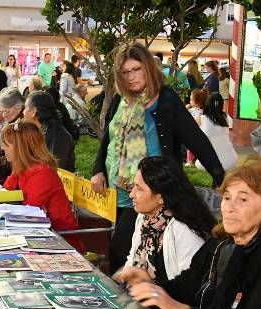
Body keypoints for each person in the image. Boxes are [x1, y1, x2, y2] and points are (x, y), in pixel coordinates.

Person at [121, 163, 261, 309]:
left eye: (242, 199)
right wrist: (151, 286)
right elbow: (187, 285)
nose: (229, 207)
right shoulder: (223, 242)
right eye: (227, 198)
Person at [91, 43, 225, 274]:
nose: (132, 77)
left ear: (148, 69)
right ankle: (131, 297)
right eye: (126, 72)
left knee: (121, 249)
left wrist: (219, 175)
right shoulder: (120, 100)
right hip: (121, 192)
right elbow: (108, 141)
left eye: (137, 69)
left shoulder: (165, 99)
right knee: (130, 251)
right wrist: (98, 169)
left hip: (153, 191)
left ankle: (128, 299)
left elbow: (195, 138)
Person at [113, 156, 215, 284]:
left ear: (161, 197)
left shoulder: (184, 232)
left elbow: (190, 288)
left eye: (139, 189)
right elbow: (133, 257)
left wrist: (149, 285)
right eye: (134, 186)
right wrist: (124, 275)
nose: (131, 194)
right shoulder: (145, 218)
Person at [1, 120, 82, 250]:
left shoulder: (42, 172)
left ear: (20, 147)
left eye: (6, 144)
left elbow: (29, 211)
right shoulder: (23, 166)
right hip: (39, 232)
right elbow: (6, 192)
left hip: (60, 238)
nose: (2, 147)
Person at [22, 90, 75, 171]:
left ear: (33, 111)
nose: (23, 112)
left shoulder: (58, 135)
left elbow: (56, 168)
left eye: (25, 107)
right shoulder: (37, 130)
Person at [197, 93, 237, 172]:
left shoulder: (201, 118)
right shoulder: (225, 118)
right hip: (231, 160)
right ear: (221, 105)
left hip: (209, 163)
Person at [0, 88, 24, 174]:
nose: (4, 115)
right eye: (2, 112)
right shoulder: (11, 122)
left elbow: (22, 157)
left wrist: (0, 162)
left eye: (7, 112)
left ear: (18, 106)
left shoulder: (22, 126)